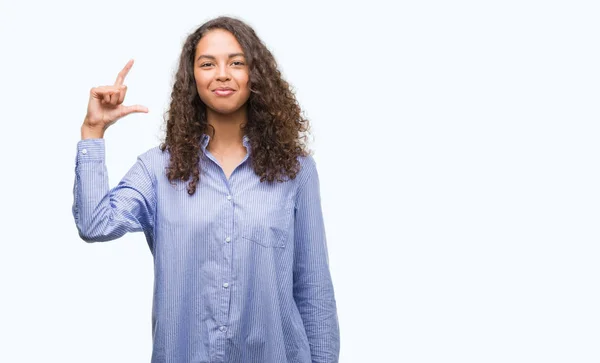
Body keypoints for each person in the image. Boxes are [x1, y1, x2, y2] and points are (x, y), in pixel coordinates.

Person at [72, 15, 340, 363]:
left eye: (237, 62)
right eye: (208, 63)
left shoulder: (296, 171)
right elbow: (95, 224)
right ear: (192, 78)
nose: (223, 74)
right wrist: (93, 131)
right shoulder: (158, 169)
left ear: (255, 75)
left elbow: (313, 289)